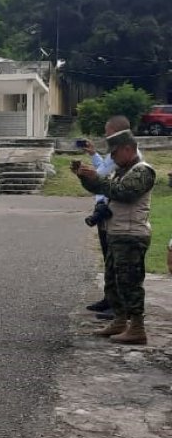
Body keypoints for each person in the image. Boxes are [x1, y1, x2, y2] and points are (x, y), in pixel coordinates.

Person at [74, 129, 154, 345]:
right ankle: (119, 320)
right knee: (113, 281)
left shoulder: (143, 171)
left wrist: (98, 179)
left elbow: (123, 192)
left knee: (129, 282)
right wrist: (86, 178)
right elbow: (106, 189)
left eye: (115, 153)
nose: (113, 158)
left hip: (132, 235)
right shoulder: (122, 171)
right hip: (117, 233)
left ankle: (137, 327)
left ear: (128, 149)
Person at [84, 115, 136, 319]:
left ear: (117, 132)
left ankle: (119, 306)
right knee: (109, 259)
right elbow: (103, 170)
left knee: (118, 263)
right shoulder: (115, 153)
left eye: (107, 133)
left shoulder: (127, 155)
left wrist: (90, 177)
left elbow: (105, 178)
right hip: (104, 210)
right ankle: (110, 298)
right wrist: (94, 155)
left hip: (115, 212)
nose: (105, 136)